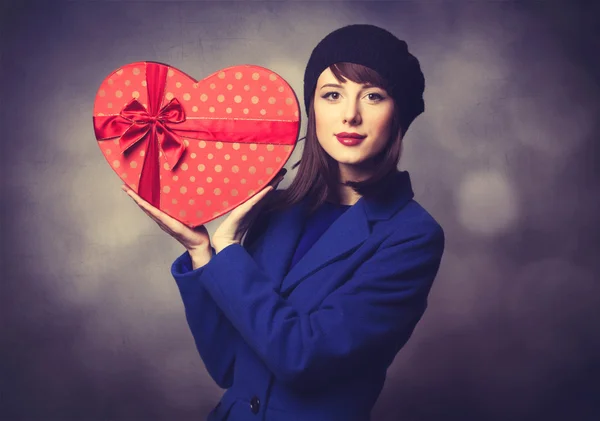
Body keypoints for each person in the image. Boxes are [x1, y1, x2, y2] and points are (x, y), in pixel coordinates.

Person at [123, 24, 445, 421]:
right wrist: (202, 253)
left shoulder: (412, 235)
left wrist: (229, 252)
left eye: (373, 96)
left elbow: (303, 359)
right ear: (313, 106)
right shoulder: (273, 209)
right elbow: (227, 367)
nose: (350, 115)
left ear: (399, 114)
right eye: (332, 95)